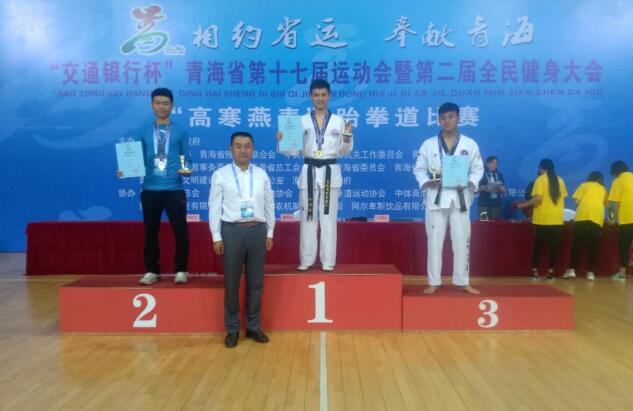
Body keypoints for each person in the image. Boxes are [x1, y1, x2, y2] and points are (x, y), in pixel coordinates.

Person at [276, 79, 353, 271]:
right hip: (309, 170)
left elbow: (344, 151)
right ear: (311, 97)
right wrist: (282, 141)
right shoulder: (300, 121)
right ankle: (306, 260)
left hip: (330, 171)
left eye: (323, 95)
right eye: (316, 95)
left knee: (328, 217)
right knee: (308, 216)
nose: (320, 98)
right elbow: (294, 151)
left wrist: (347, 137)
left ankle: (328, 261)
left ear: (329, 96)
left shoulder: (340, 122)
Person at [117, 87, 191, 285]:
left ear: (172, 106)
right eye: (158, 103)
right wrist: (126, 170)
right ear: (152, 105)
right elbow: (137, 159)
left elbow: (184, 156)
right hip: (150, 189)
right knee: (150, 232)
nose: (162, 107)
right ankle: (152, 270)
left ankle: (181, 269)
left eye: (165, 103)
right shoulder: (142, 132)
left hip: (174, 189)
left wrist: (186, 169)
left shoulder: (180, 131)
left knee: (181, 231)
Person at [209, 131, 275, 348]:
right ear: (231, 149)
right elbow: (214, 207)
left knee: (256, 283)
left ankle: (253, 327)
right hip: (232, 231)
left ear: (253, 149)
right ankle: (232, 329)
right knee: (232, 284)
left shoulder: (262, 174)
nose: (243, 150)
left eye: (247, 146)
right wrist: (216, 236)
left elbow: (269, 204)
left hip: (257, 231)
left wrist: (270, 232)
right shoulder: (220, 175)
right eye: (238, 146)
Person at [413, 102, 484, 294]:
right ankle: (433, 281)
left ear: (458, 118)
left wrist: (468, 182)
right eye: (443, 117)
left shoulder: (469, 144)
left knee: (462, 241)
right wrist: (427, 182)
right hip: (436, 198)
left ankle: (463, 281)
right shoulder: (428, 144)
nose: (447, 121)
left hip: (460, 198)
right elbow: (419, 169)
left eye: (451, 117)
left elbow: (478, 170)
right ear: (438, 120)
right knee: (434, 242)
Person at [517, 159, 567, 280]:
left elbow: (537, 199)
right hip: (557, 219)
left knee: (539, 247)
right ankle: (551, 272)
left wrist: (524, 205)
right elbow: (563, 197)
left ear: (541, 168)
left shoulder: (540, 180)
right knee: (554, 248)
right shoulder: (560, 180)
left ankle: (535, 271)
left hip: (543, 219)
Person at [563, 171, 607, 281]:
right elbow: (605, 204)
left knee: (577, 244)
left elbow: (576, 202)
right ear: (601, 179)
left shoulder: (584, 185)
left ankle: (572, 271)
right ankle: (590, 273)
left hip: (582, 216)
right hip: (597, 218)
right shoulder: (603, 189)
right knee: (593, 246)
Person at [608, 161, 633, 281]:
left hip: (627, 218)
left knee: (625, 246)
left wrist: (612, 219)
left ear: (615, 172)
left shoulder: (618, 181)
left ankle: (622, 274)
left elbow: (614, 204)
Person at [478, 155, 506, 220]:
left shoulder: (499, 175)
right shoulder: (481, 175)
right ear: (487, 164)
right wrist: (484, 188)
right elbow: (475, 190)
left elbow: (504, 191)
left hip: (496, 205)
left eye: (496, 163)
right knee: (484, 223)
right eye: (491, 163)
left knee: (495, 224)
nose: (494, 165)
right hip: (484, 205)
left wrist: (501, 189)